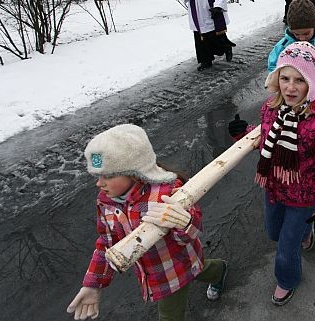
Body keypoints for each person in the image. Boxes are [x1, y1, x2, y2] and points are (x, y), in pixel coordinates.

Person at [228, 41, 315, 305]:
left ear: (311, 83)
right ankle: (306, 233)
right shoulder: (271, 109)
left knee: (286, 248)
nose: (290, 87)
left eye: (299, 80)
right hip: (275, 188)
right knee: (273, 232)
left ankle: (287, 280)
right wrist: (244, 133)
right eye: (284, 78)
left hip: (304, 196)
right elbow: (269, 140)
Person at [67, 124, 228, 321]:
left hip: (172, 271)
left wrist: (185, 222)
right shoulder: (106, 203)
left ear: (134, 172)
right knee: (199, 270)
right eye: (98, 176)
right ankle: (220, 270)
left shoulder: (166, 193)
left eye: (108, 176)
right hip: (154, 270)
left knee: (170, 314)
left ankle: (218, 271)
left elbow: (193, 230)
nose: (99, 183)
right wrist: (93, 283)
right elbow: (107, 244)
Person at [268, 0, 315, 73]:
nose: (302, 38)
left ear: (314, 27)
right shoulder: (283, 46)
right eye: (296, 34)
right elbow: (273, 68)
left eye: (306, 33)